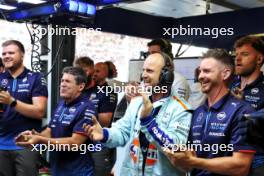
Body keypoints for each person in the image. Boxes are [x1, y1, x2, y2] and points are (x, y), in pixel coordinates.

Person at [83, 53, 192, 176]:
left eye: (149, 71)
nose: (144, 75)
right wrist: (104, 134)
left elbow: (174, 147)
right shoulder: (137, 103)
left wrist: (149, 122)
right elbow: (122, 131)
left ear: (166, 76)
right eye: (143, 70)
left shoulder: (182, 109)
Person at [164, 49, 255, 176]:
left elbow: (241, 166)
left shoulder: (242, 111)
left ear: (225, 74)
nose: (200, 76)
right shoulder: (197, 113)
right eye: (200, 71)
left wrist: (195, 162)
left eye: (206, 71)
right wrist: (179, 160)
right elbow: (189, 164)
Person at [16, 66, 97, 176]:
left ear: (81, 86)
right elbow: (50, 130)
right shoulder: (61, 104)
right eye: (62, 81)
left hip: (78, 172)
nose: (62, 84)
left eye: (68, 81)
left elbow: (75, 143)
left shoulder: (87, 108)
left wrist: (39, 139)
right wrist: (34, 135)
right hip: (57, 169)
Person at [0, 40, 48, 176]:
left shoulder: (36, 78)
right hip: (1, 144)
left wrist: (12, 102)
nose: (6, 56)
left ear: (22, 55)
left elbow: (39, 111)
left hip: (25, 144)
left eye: (11, 53)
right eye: (4, 53)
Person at [231, 35, 264, 175]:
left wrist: (243, 105)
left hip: (257, 160)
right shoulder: (229, 86)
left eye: (244, 54)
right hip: (229, 158)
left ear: (259, 59)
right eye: (236, 54)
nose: (237, 59)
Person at [85, 62, 118, 176]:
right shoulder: (86, 89)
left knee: (99, 172)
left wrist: (84, 113)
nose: (94, 73)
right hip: (83, 139)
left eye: (98, 71)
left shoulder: (108, 91)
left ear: (106, 73)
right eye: (93, 70)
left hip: (100, 141)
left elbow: (105, 120)